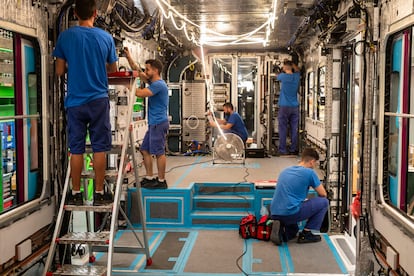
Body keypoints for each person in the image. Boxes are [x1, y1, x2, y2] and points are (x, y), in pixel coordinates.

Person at [53, 0, 118, 205]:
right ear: (96, 13)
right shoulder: (106, 38)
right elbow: (113, 69)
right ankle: (99, 193)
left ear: (74, 13)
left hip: (75, 102)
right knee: (99, 148)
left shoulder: (65, 37)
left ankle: (75, 194)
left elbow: (59, 71)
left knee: (76, 149)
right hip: (98, 100)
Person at [124, 48, 169, 189]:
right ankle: (149, 178)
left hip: (158, 123)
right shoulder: (153, 82)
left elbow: (140, 93)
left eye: (148, 69)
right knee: (145, 150)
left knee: (159, 153)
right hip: (154, 123)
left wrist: (126, 83)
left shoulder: (158, 85)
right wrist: (129, 57)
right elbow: (138, 71)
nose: (146, 71)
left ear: (155, 71)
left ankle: (161, 181)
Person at [269, 148, 328, 244]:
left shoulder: (285, 171)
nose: (315, 166)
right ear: (312, 162)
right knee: (324, 202)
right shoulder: (310, 173)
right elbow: (323, 194)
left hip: (274, 212)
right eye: (316, 163)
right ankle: (306, 234)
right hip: (290, 213)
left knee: (293, 232)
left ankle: (282, 230)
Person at [277, 59, 300, 156]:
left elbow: (277, 76)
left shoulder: (283, 76)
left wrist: (284, 67)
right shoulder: (296, 77)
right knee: (294, 128)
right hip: (294, 106)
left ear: (285, 68)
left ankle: (283, 149)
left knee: (283, 128)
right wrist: (292, 63)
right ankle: (293, 149)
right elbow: (298, 70)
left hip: (284, 106)